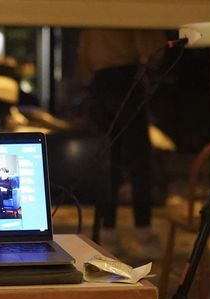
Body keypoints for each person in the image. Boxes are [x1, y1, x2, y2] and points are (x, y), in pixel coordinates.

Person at [79, 29, 166, 260]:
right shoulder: (127, 12)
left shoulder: (91, 12)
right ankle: (143, 233)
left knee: (109, 159)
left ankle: (107, 232)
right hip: (126, 78)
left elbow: (84, 54)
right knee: (139, 160)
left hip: (99, 83)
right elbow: (149, 47)